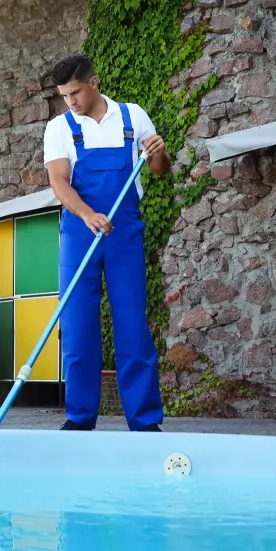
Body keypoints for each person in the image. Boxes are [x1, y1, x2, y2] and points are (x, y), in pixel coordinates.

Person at [42, 53, 172, 432]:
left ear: (94, 83)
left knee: (132, 321)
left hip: (123, 230)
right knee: (78, 323)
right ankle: (79, 418)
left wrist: (159, 153)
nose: (71, 102)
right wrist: (87, 214)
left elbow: (159, 170)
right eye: (65, 96)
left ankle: (145, 421)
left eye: (76, 93)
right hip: (79, 231)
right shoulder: (59, 128)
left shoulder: (132, 116)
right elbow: (59, 182)